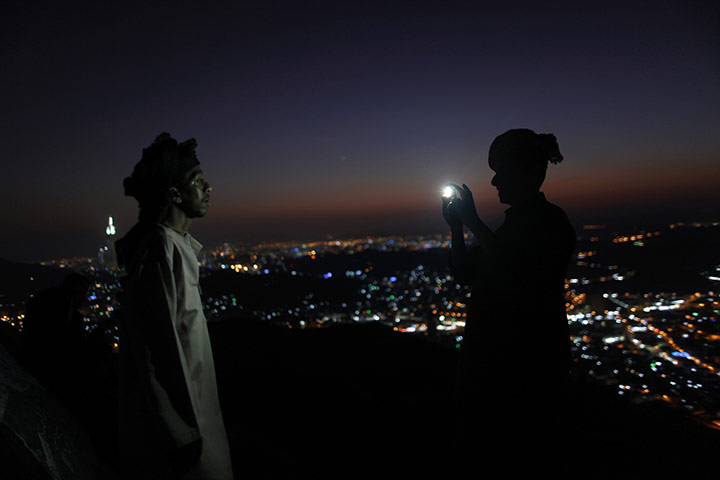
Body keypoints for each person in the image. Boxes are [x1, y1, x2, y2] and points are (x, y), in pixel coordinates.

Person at [442, 129, 576, 474]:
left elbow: (518, 272)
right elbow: (464, 272)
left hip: (524, 367)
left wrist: (471, 222)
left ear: (528, 171)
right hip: (495, 362)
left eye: (501, 170)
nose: (494, 181)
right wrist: (457, 229)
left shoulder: (550, 223)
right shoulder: (509, 229)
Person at [115, 133, 233, 479]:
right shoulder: (161, 250)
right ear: (175, 194)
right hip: (185, 425)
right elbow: (157, 346)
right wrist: (180, 433)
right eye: (197, 181)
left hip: (191, 412)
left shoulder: (172, 245)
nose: (208, 187)